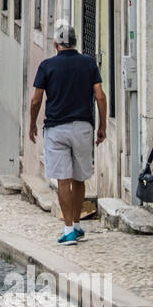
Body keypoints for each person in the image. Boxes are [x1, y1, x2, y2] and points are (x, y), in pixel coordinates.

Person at [28, 21, 107, 245]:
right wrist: (102, 126)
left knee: (64, 180)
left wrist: (32, 123)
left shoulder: (47, 66)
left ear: (56, 44)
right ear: (75, 42)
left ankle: (68, 228)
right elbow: (100, 96)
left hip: (56, 129)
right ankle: (79, 225)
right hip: (83, 127)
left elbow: (36, 100)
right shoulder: (89, 64)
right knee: (80, 179)